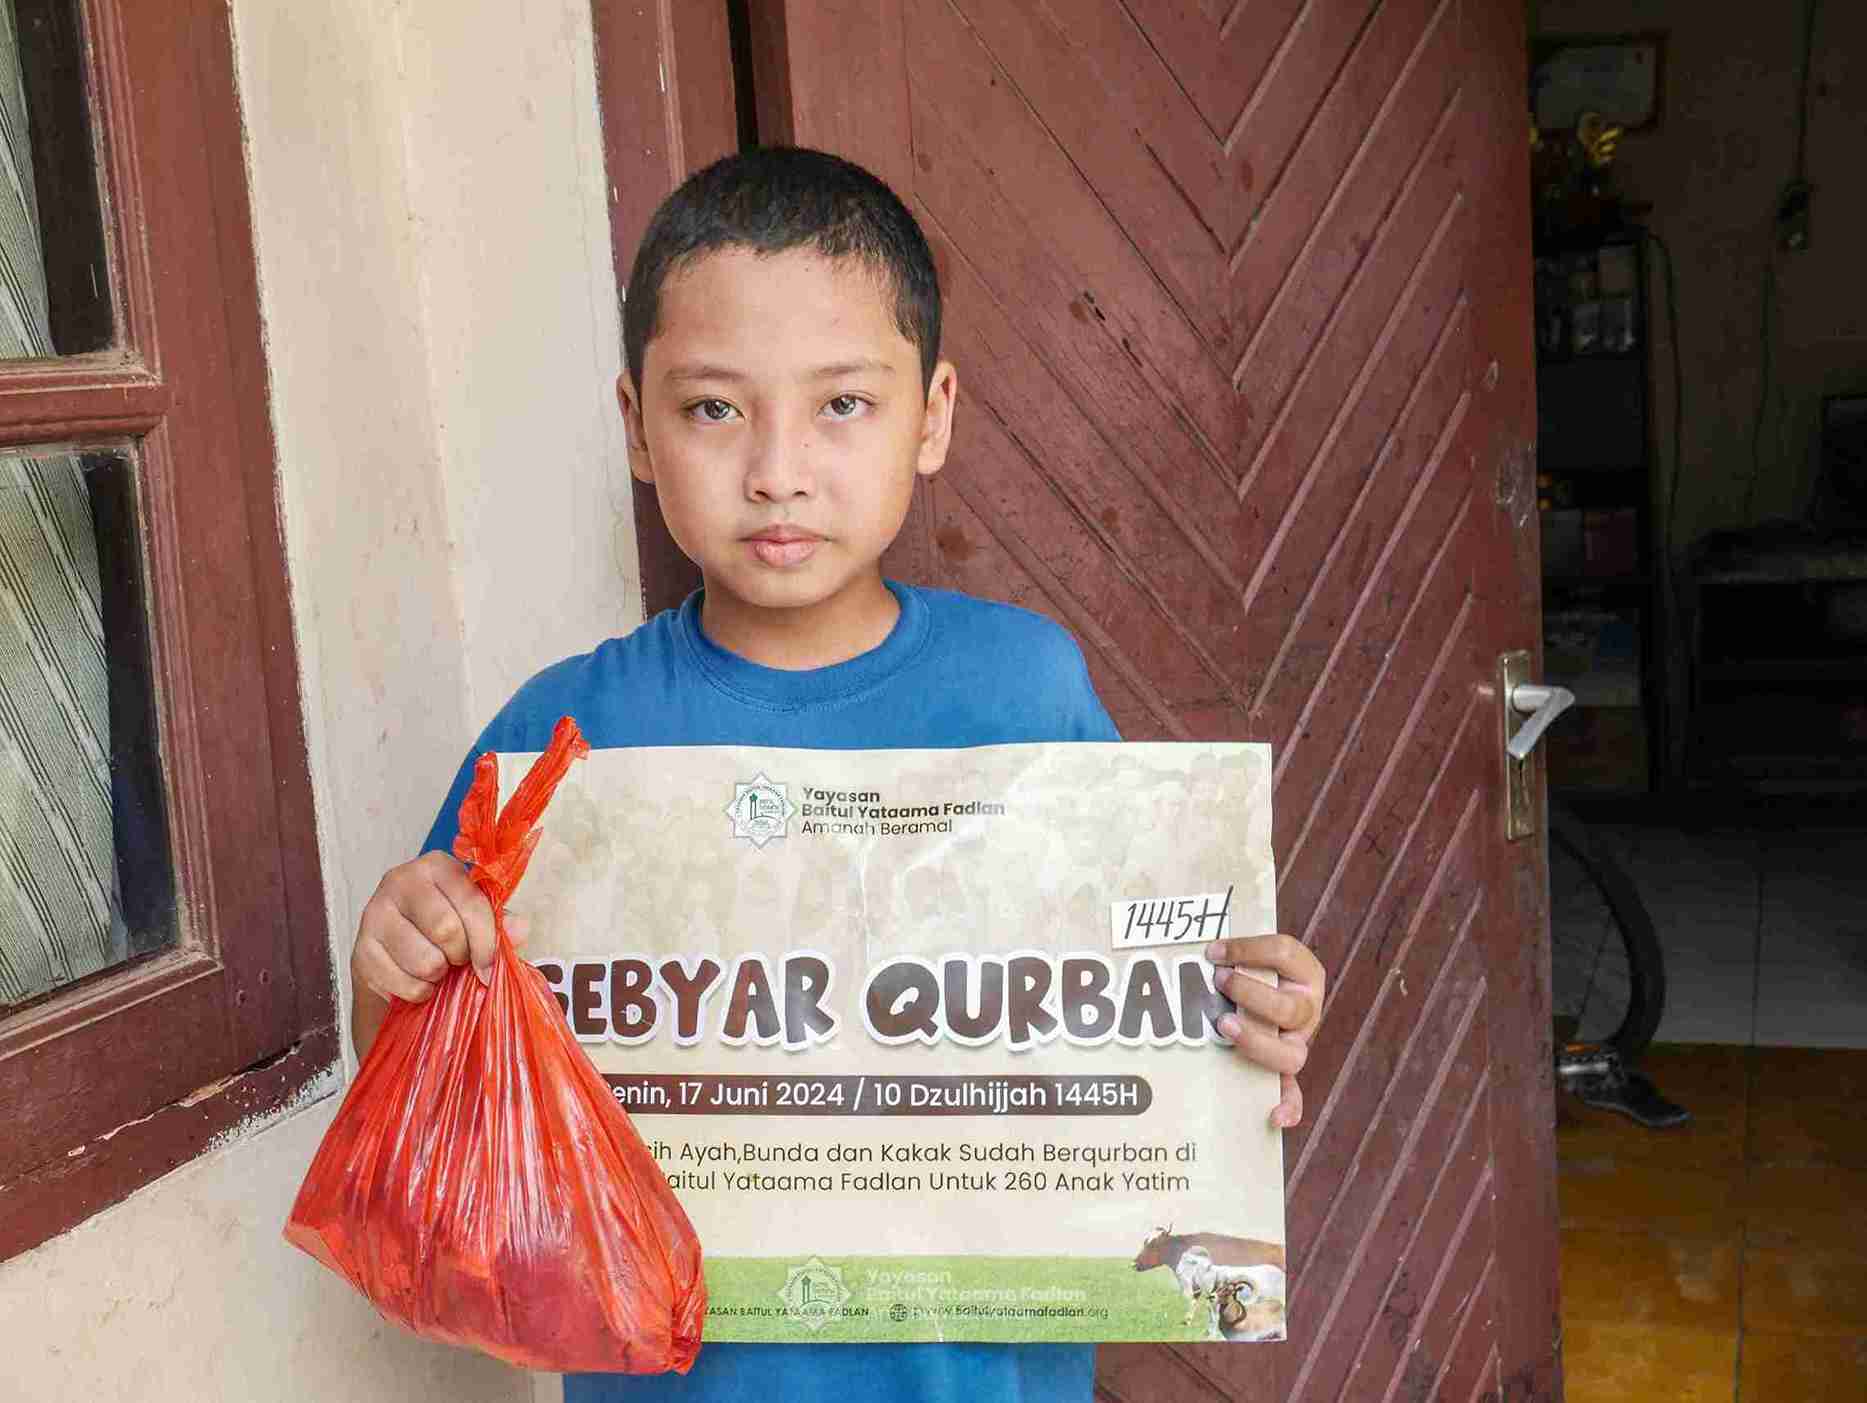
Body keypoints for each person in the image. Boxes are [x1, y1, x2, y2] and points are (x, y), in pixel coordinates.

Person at [349, 147, 1326, 1402]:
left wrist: (1251, 1022)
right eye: (712, 408)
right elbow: (418, 1084)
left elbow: (1154, 997)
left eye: (842, 405)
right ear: (634, 427)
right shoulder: (561, 741)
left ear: (935, 416)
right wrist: (396, 953)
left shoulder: (1026, 691)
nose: (777, 467)